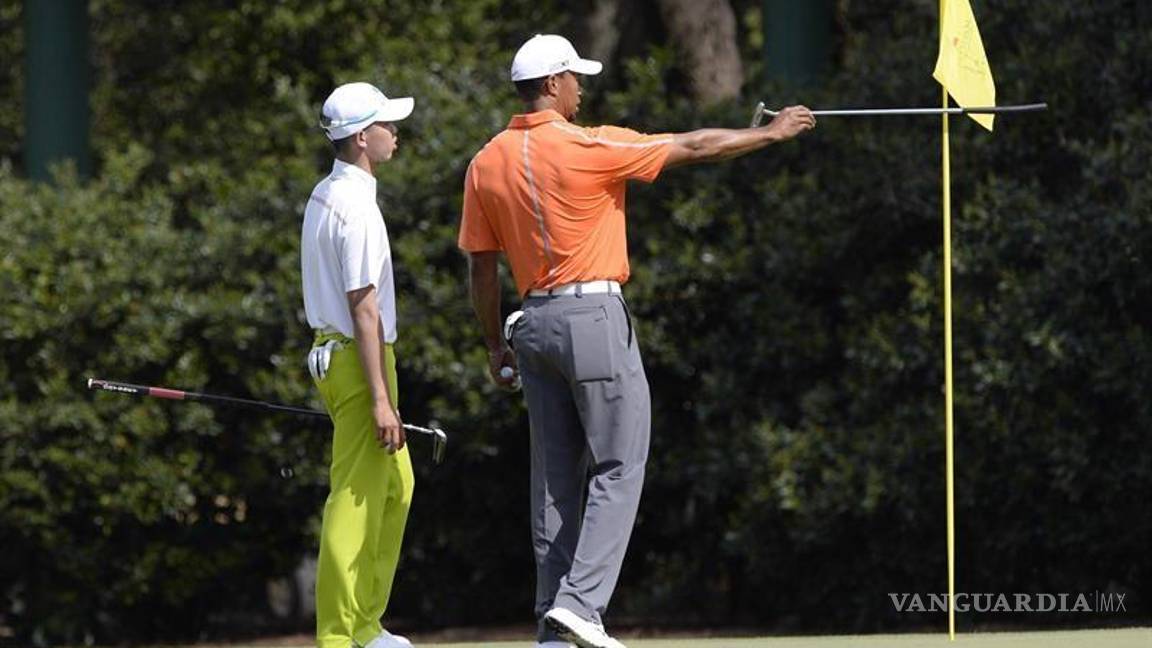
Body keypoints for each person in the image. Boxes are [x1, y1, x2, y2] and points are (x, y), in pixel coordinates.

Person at [457, 34, 816, 648]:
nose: (581, 88)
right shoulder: (591, 144)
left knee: (553, 483)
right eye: (574, 78)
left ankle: (552, 623)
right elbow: (695, 146)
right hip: (592, 317)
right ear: (551, 85)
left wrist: (495, 347)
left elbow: (481, 269)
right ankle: (581, 604)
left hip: (533, 325)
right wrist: (770, 134)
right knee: (621, 463)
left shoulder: (485, 160)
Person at [301, 81, 417, 648]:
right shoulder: (357, 207)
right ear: (363, 138)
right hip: (359, 360)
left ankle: (366, 624)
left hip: (336, 355)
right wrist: (380, 398)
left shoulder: (326, 193)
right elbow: (364, 309)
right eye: (387, 124)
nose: (396, 132)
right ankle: (340, 637)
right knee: (354, 497)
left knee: (397, 485)